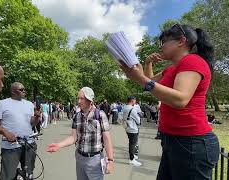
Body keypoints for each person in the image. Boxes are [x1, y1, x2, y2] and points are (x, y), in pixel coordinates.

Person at [119, 24, 219, 180]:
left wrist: (141, 78)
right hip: (173, 141)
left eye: (164, 42)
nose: (161, 47)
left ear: (181, 41)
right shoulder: (172, 68)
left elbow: (180, 99)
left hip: (191, 143)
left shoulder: (193, 61)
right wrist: (148, 65)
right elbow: (151, 83)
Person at [47, 87, 114, 180]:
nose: (78, 101)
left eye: (82, 98)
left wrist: (110, 160)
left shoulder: (100, 115)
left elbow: (107, 139)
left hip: (95, 161)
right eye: (78, 98)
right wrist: (59, 145)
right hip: (79, 158)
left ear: (90, 100)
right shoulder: (77, 116)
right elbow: (73, 137)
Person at [0, 82, 40, 180]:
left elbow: (32, 123)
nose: (24, 91)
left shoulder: (29, 104)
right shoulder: (2, 104)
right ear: (13, 91)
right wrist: (5, 133)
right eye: (21, 89)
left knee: (28, 173)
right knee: (8, 175)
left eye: (24, 89)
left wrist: (37, 117)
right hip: (11, 146)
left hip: (29, 144)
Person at [123, 96, 142, 166]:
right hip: (133, 128)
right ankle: (132, 159)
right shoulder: (132, 109)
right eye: (135, 100)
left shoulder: (124, 107)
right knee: (133, 143)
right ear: (132, 100)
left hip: (127, 127)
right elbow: (138, 120)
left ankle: (133, 155)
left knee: (131, 143)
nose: (135, 102)